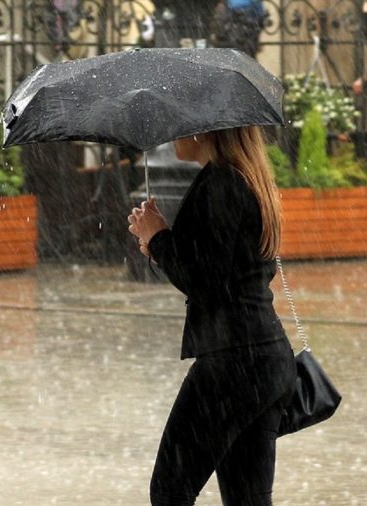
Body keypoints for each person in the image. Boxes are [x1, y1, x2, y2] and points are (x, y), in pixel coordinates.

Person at [127, 127, 297, 505]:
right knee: (247, 499)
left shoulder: (223, 183)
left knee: (170, 490)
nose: (171, 137)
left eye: (180, 129)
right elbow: (224, 269)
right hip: (265, 360)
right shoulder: (244, 178)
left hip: (232, 364)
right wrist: (159, 243)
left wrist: (158, 237)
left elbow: (205, 281)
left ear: (204, 132)